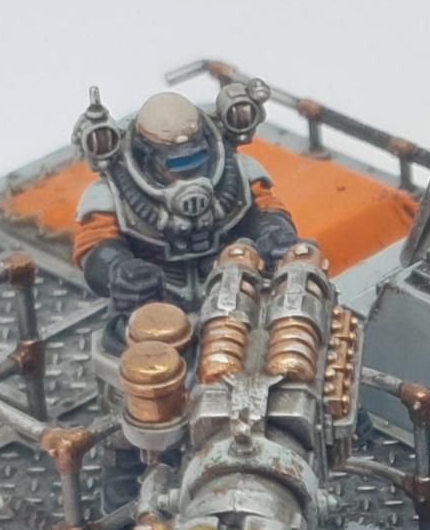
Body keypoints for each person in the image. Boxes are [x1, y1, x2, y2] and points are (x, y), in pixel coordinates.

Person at [70, 83, 299, 338]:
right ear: (147, 160)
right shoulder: (111, 193)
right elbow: (95, 245)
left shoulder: (239, 173)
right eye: (175, 165)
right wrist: (119, 270)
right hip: (154, 300)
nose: (189, 175)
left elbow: (267, 207)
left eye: (196, 160)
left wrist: (273, 231)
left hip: (237, 287)